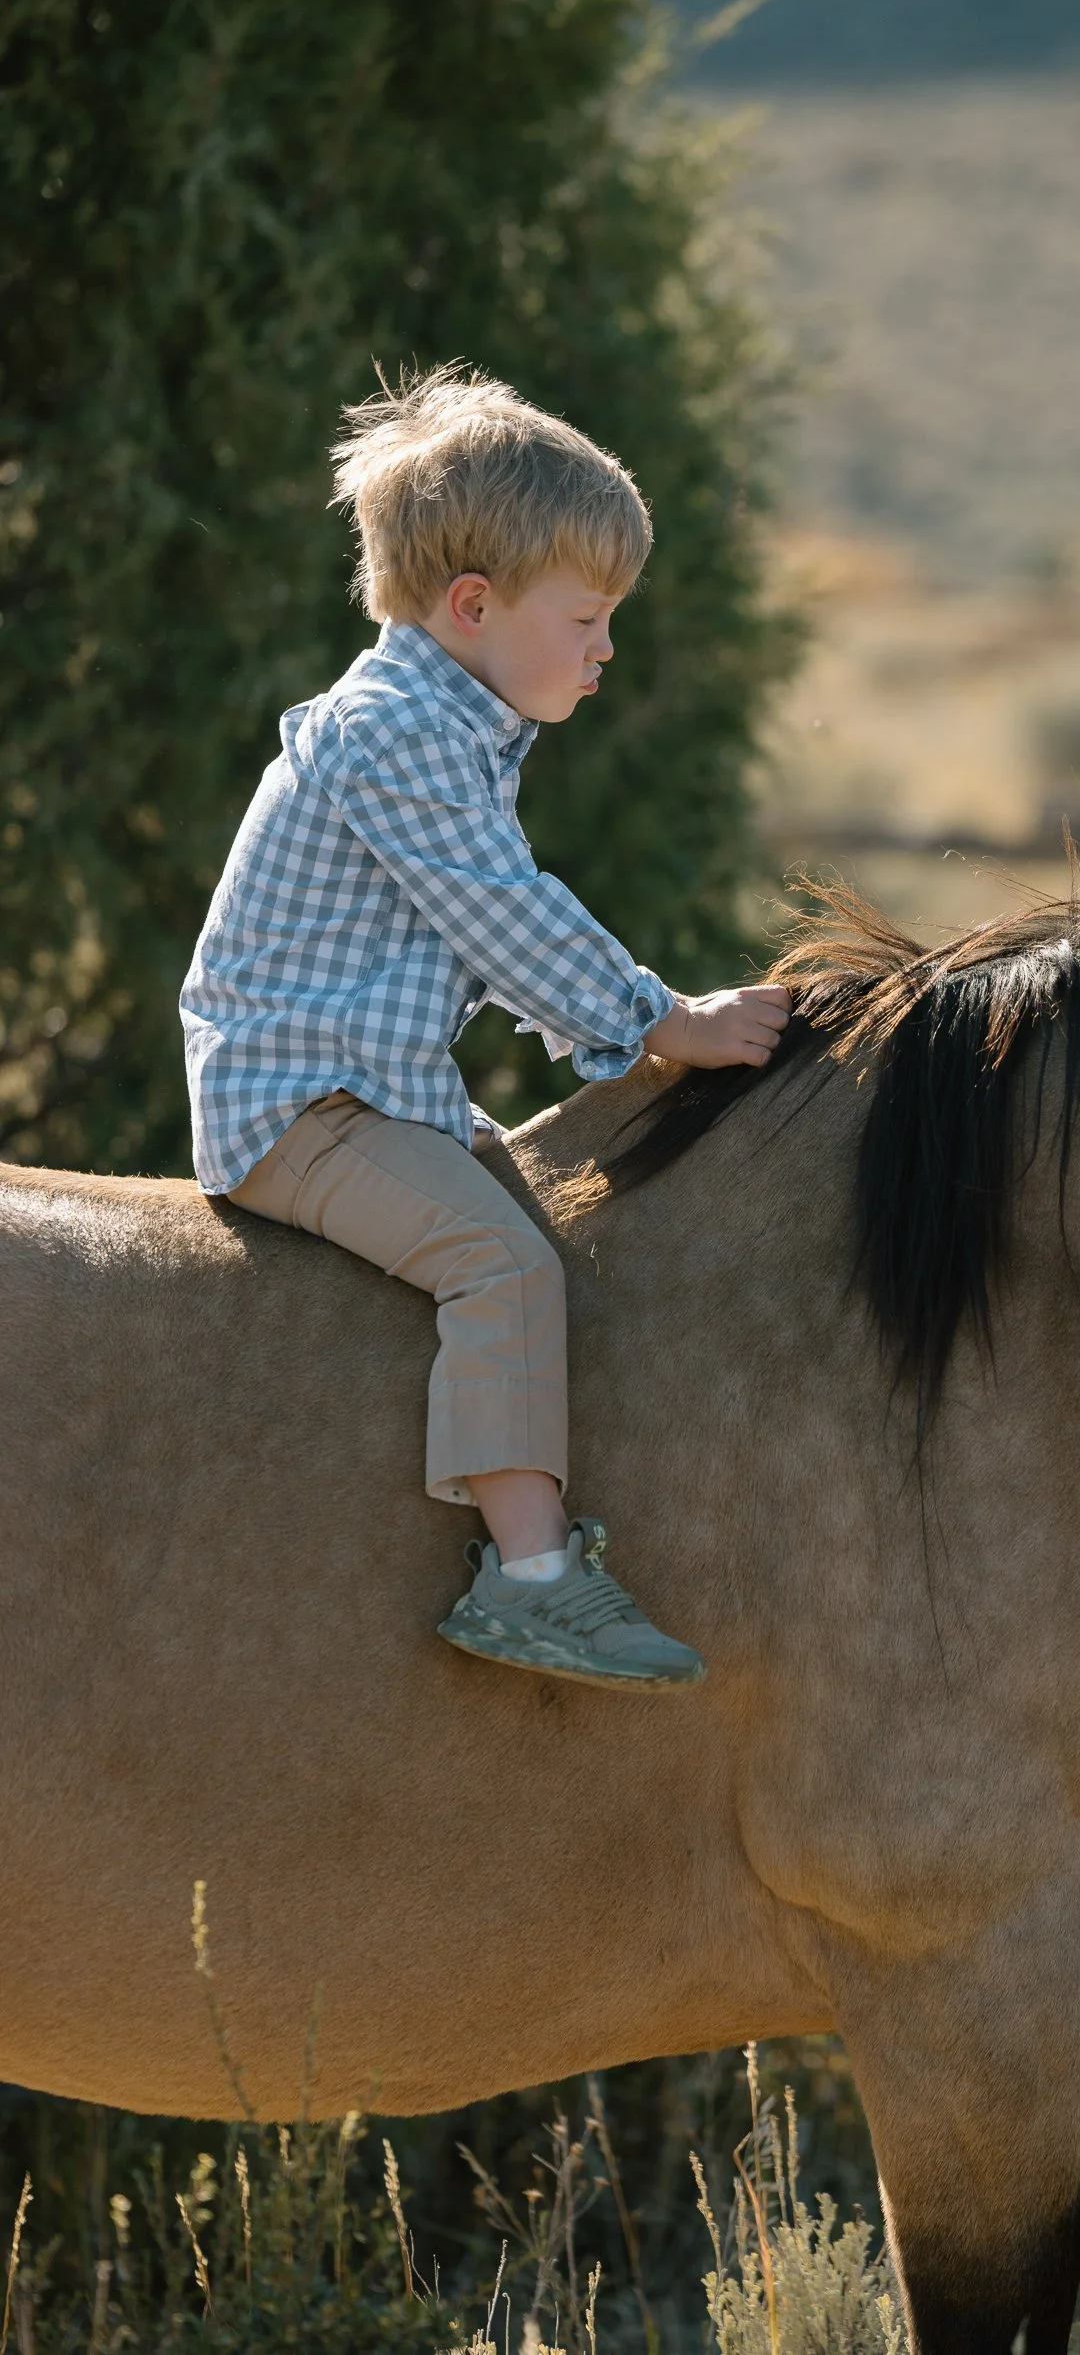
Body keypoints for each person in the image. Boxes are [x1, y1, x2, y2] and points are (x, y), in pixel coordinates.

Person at [180, 366, 789, 1687]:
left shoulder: (449, 732)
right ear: (473, 607)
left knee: (558, 1228)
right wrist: (664, 1021)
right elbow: (505, 917)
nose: (604, 647)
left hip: (371, 1090)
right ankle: (528, 1580)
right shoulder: (393, 734)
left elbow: (478, 936)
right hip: (299, 1105)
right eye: (587, 615)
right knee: (500, 1267)